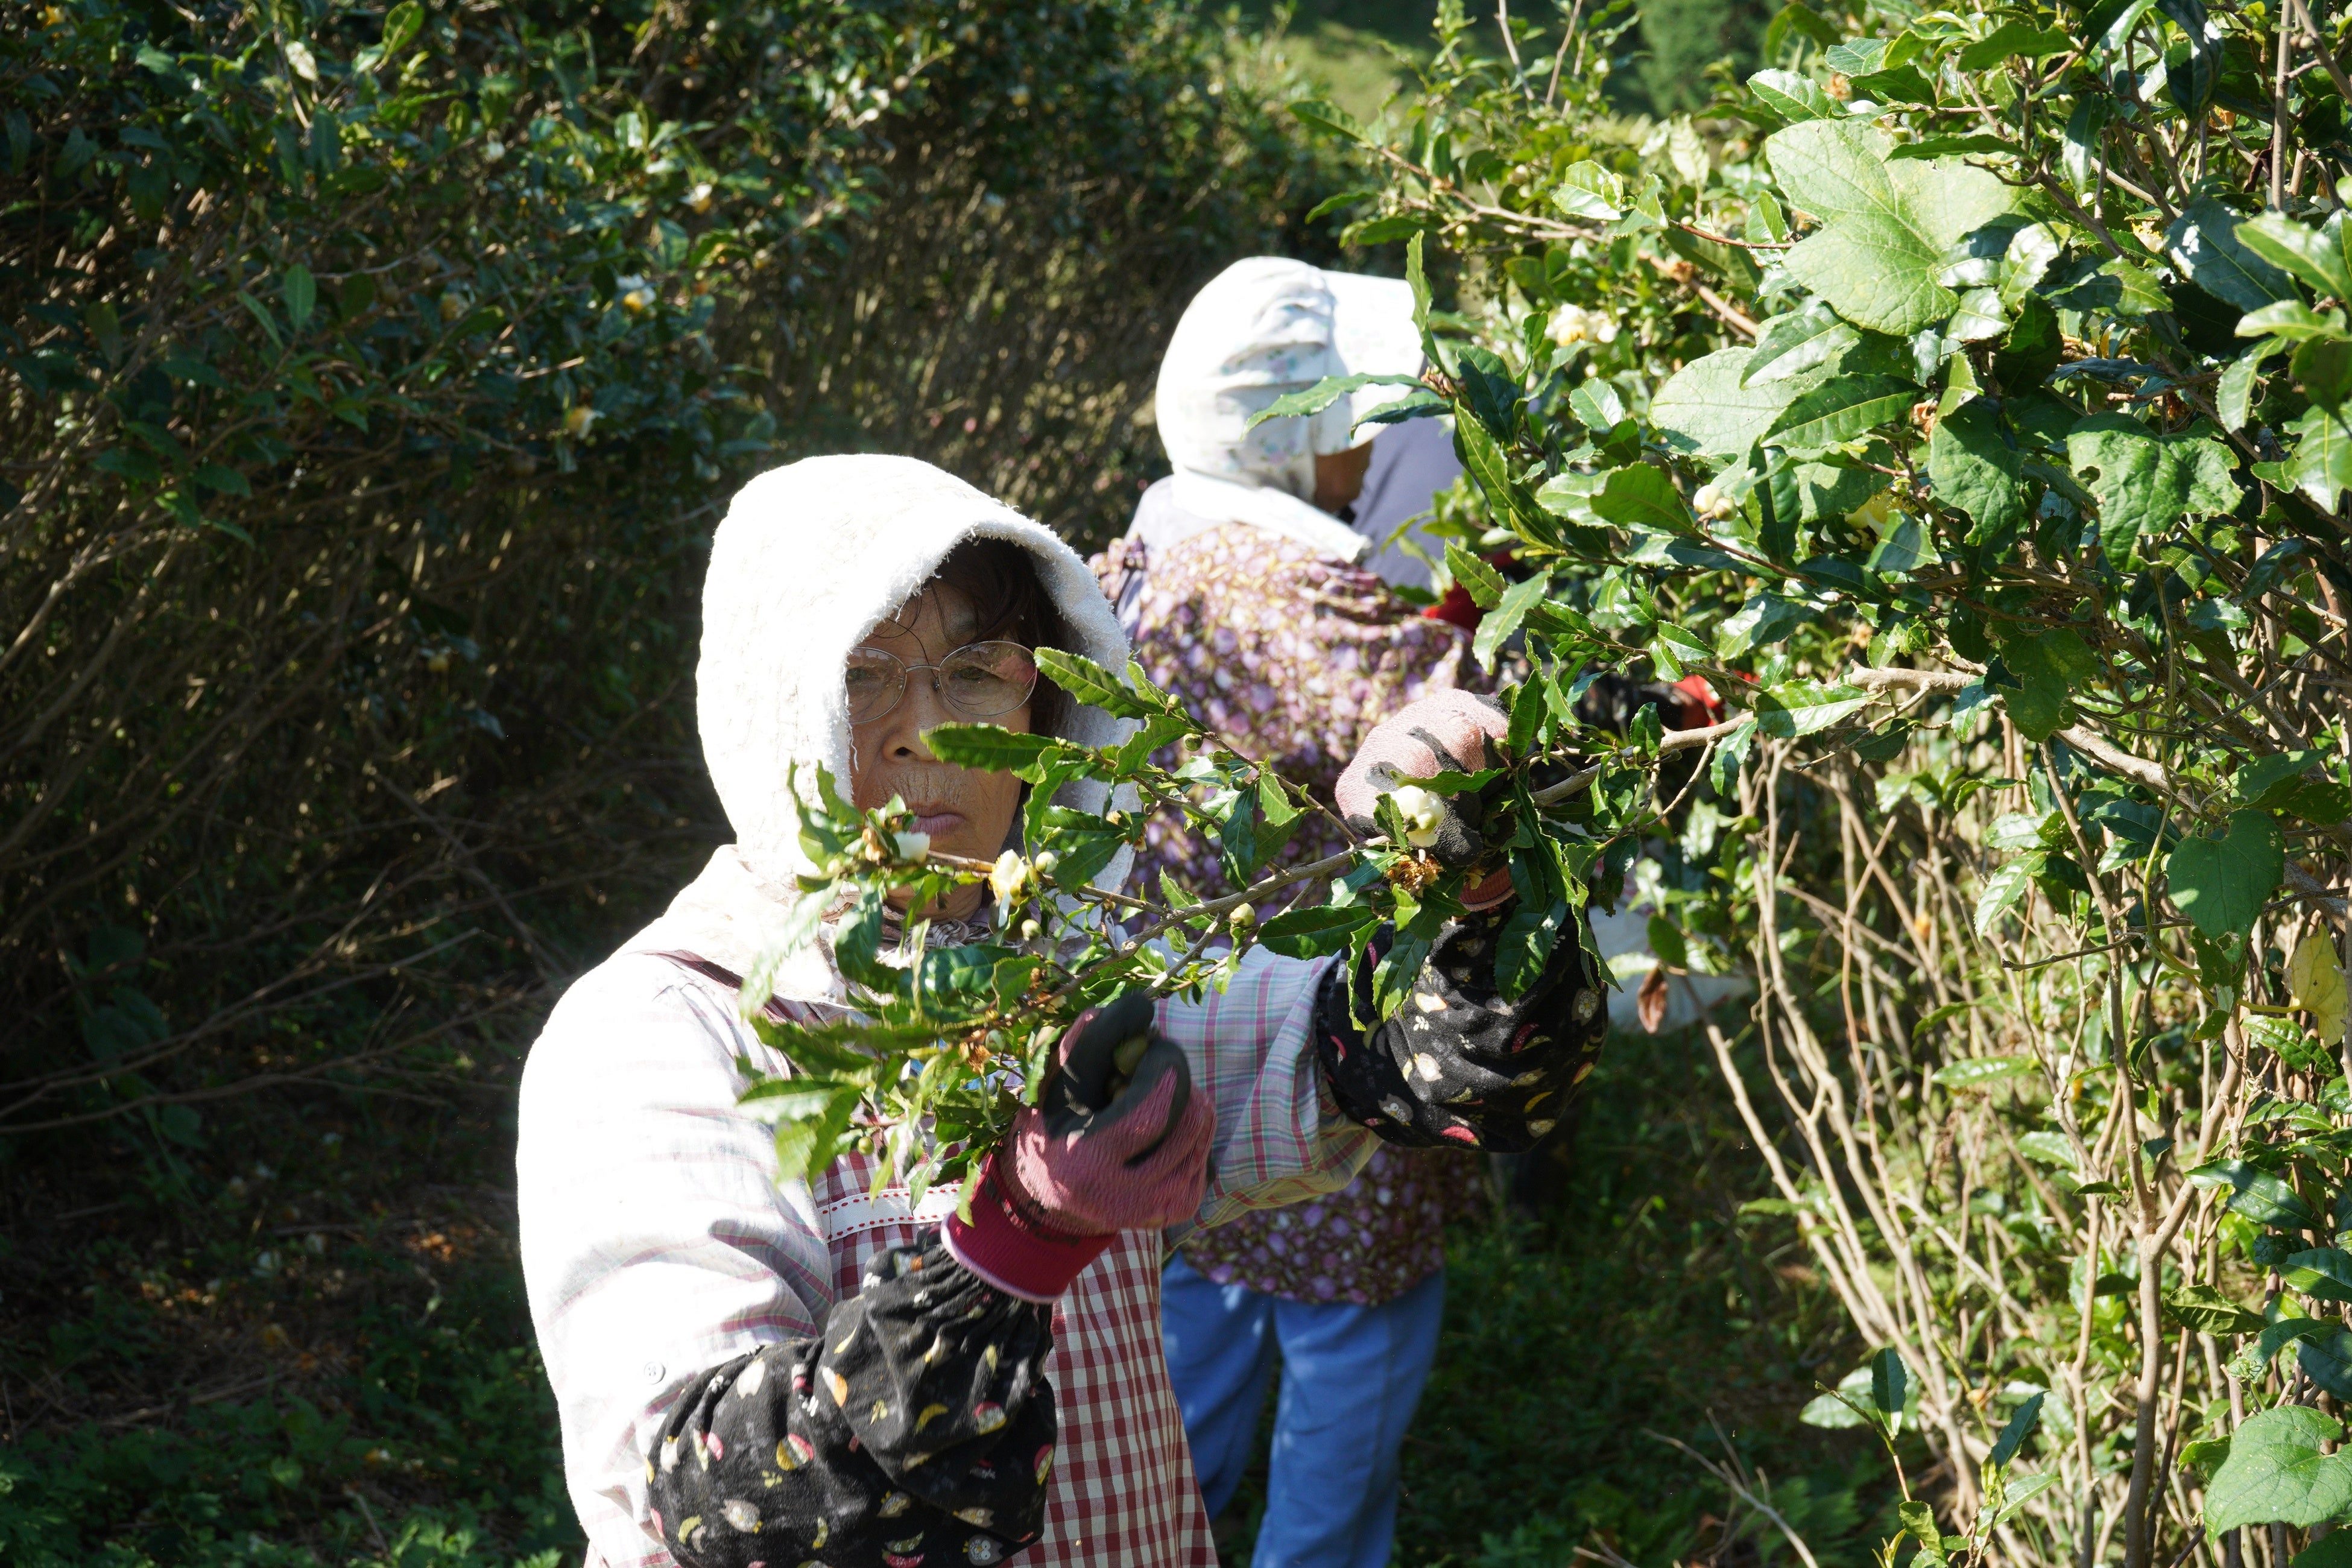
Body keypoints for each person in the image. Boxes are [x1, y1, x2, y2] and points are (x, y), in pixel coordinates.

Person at [516, 454, 1611, 1568]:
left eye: (976, 672)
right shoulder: (663, 1033)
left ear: (1043, 708)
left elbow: (1419, 1066)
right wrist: (1009, 1245)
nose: (924, 732)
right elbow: (717, 1504)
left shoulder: (1074, 979)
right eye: (862, 676)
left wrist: (1473, 887)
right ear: (769, 711)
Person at [1093, 258, 1497, 1568]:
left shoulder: (1157, 547)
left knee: (1190, 1348)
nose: (1372, 445)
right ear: (1293, 428)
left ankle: (1161, 1539)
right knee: (1349, 1368)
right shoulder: (1302, 597)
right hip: (1313, 1049)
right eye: (1354, 417)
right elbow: (1471, 722)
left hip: (1188, 1047)